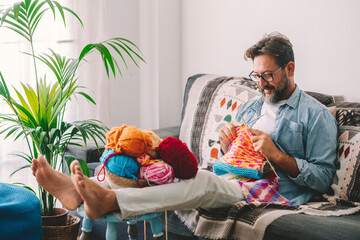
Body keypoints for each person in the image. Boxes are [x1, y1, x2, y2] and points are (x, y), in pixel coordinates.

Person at [31, 32, 337, 221]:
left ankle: (110, 200)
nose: (260, 83)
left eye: (267, 75)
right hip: (230, 175)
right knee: (162, 169)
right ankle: (79, 190)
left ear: (290, 69)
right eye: (255, 76)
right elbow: (236, 156)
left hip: (270, 193)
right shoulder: (252, 105)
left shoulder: (316, 115)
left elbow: (323, 180)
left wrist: (278, 155)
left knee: (200, 183)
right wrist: (228, 143)